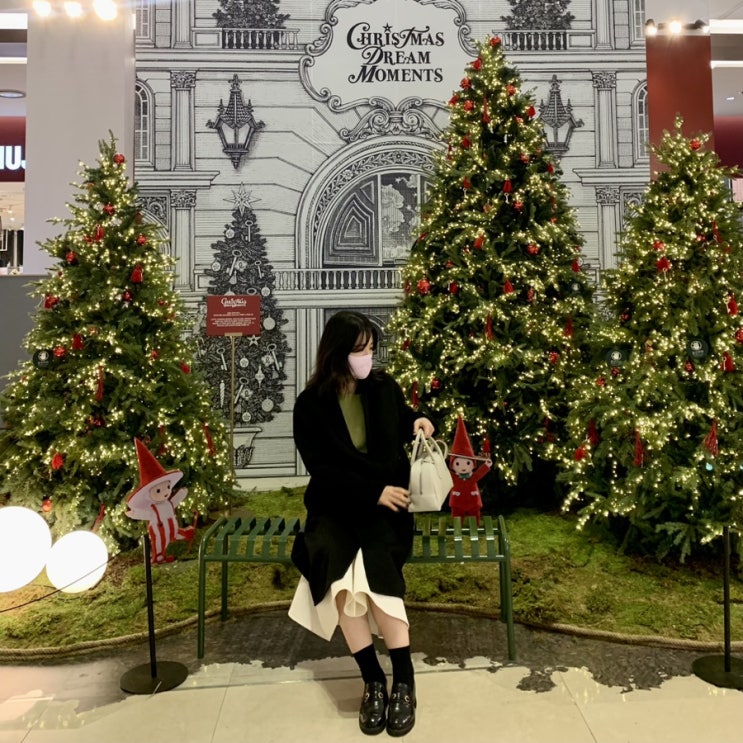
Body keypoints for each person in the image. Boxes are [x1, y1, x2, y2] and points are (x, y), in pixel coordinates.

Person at [289, 310, 435, 737]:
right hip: (336, 506)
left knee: (374, 574)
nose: (367, 357)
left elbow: (404, 419)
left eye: (371, 349)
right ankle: (372, 679)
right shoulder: (310, 405)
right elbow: (322, 471)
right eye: (359, 350)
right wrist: (372, 492)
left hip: (387, 508)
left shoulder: (383, 387)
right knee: (340, 578)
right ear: (337, 353)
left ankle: (403, 681)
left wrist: (421, 420)